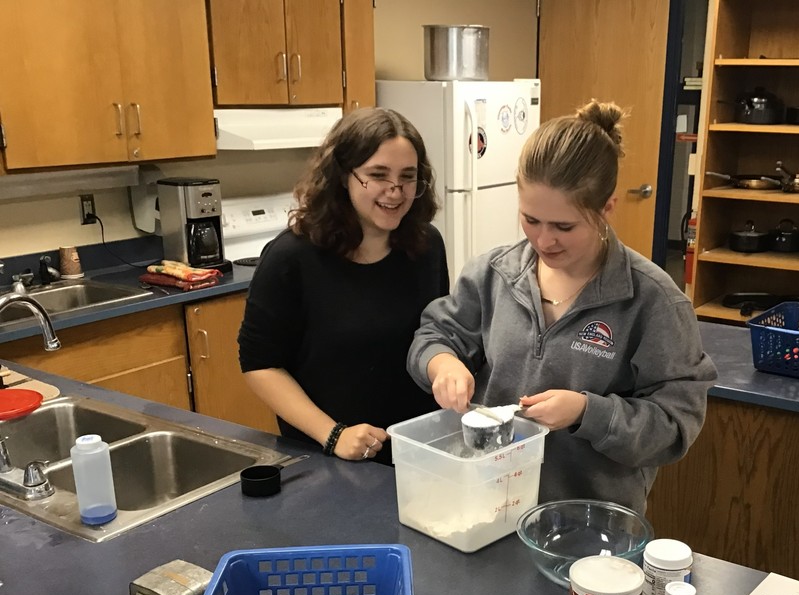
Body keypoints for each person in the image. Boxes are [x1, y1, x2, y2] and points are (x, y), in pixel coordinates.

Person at [406, 100, 716, 514]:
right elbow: (434, 335)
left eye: (564, 227)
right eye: (531, 220)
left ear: (607, 208)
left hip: (588, 522)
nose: (544, 241)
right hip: (489, 505)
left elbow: (675, 426)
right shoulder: (494, 274)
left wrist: (587, 412)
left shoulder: (653, 302)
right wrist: (441, 364)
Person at [239, 108, 448, 465]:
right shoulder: (292, 258)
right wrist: (333, 434)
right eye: (378, 175)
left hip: (417, 447)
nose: (395, 192)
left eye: (408, 177)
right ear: (342, 177)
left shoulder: (425, 245)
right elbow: (260, 364)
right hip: (328, 456)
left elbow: (436, 333)